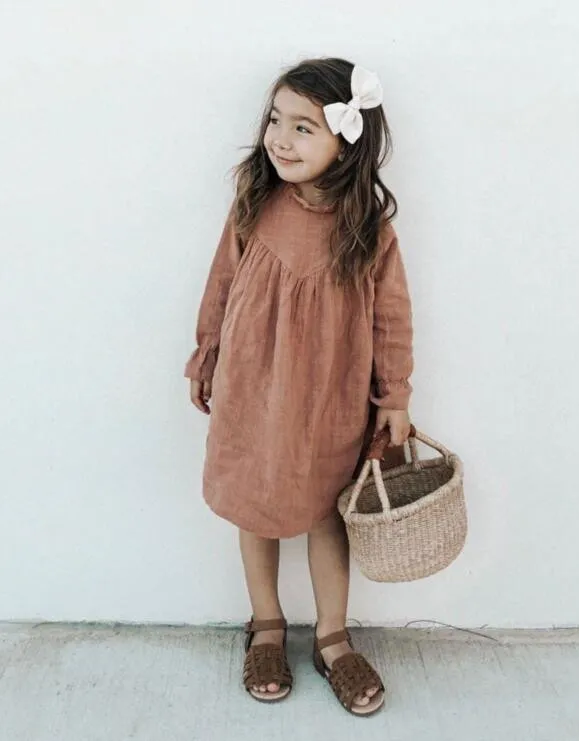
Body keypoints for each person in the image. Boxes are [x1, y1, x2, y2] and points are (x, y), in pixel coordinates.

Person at [184, 57, 414, 716]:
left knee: (324, 512)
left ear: (347, 141)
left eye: (304, 127)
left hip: (327, 396)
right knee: (254, 502)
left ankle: (333, 638)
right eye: (276, 121)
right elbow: (222, 282)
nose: (281, 140)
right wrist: (207, 354)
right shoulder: (255, 202)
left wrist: (394, 393)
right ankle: (266, 624)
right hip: (252, 387)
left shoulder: (367, 226)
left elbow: (391, 315)